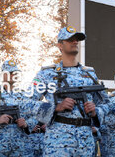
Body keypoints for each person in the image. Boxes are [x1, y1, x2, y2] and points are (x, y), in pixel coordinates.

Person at [31, 26, 109, 156]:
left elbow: (106, 103)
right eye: (70, 39)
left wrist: (96, 112)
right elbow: (27, 102)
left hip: (85, 144)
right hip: (58, 144)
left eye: (77, 39)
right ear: (60, 45)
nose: (75, 42)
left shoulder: (89, 74)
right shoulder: (46, 74)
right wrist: (55, 107)